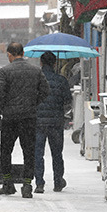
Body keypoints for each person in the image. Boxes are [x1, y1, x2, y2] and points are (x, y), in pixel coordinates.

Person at [0, 42, 49, 198]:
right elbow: (45, 90)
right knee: (29, 151)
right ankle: (27, 185)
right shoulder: (35, 70)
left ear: (10, 54)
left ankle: (8, 184)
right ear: (23, 53)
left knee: (6, 150)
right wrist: (33, 104)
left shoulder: (5, 71)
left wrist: (4, 108)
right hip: (29, 118)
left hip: (10, 118)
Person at [35, 52, 71, 194]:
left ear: (41, 63)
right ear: (55, 64)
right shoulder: (61, 80)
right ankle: (58, 182)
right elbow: (68, 100)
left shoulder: (36, 80)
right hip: (56, 122)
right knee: (57, 153)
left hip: (38, 122)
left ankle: (39, 183)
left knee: (38, 153)